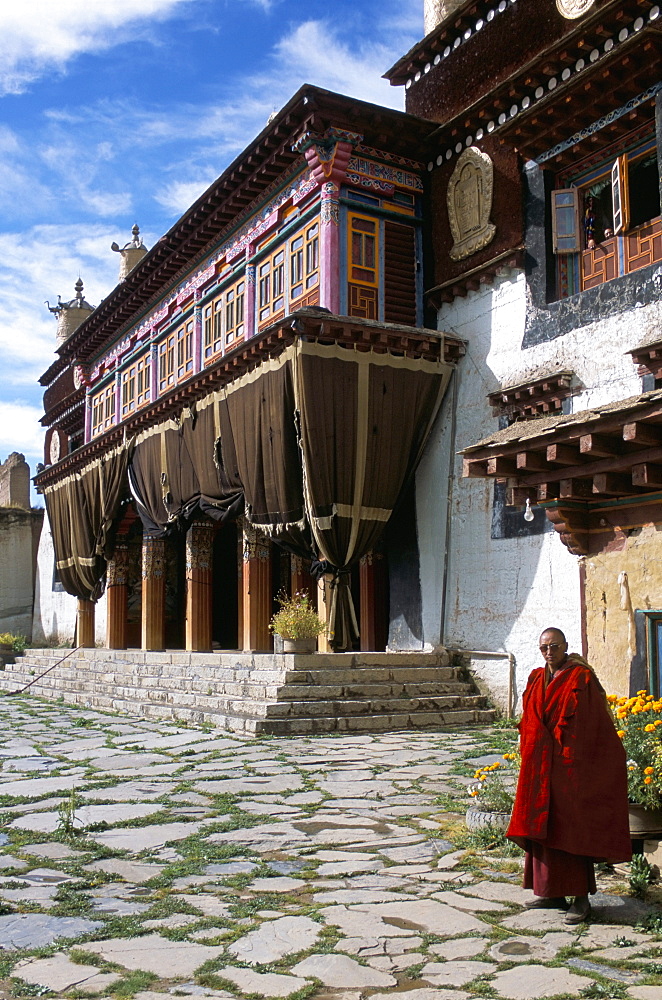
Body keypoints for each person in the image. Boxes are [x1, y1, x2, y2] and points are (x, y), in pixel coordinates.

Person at [507, 627, 631, 924]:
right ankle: (551, 892)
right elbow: (529, 720)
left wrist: (578, 762)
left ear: (565, 647)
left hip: (569, 766)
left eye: (554, 646)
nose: (549, 652)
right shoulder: (537, 677)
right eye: (544, 647)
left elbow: (591, 727)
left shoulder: (580, 678)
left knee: (571, 829)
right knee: (542, 825)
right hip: (539, 765)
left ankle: (580, 899)